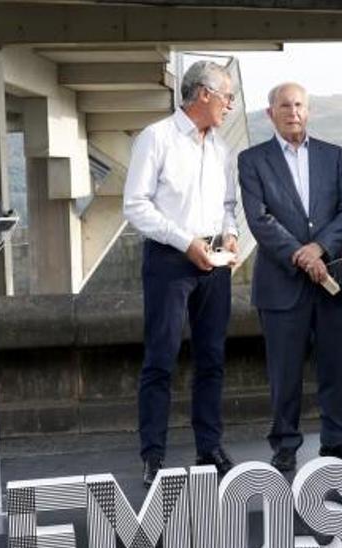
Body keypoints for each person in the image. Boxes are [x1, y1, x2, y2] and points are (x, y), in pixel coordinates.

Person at [238, 82, 342, 473]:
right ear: (270, 113)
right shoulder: (252, 160)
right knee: (284, 371)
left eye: (298, 105)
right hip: (281, 282)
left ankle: (338, 440)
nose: (292, 111)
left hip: (330, 280)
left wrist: (319, 249)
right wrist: (299, 254)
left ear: (308, 111)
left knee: (336, 367)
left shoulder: (333, 155)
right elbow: (258, 218)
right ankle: (285, 443)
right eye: (284, 105)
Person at [123, 60, 240, 484]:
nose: (230, 104)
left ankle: (209, 446)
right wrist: (184, 242)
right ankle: (153, 456)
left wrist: (229, 234)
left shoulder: (221, 147)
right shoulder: (156, 138)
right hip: (170, 260)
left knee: (212, 358)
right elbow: (135, 205)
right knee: (160, 358)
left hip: (215, 261)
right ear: (204, 94)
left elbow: (228, 205)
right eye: (227, 96)